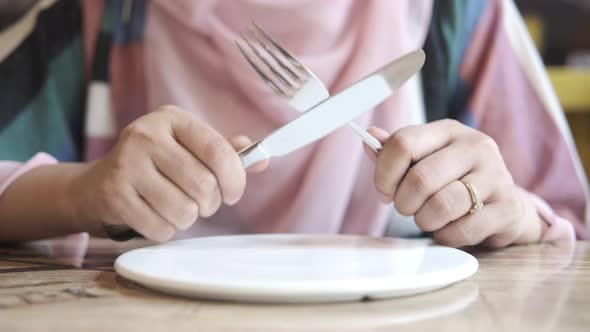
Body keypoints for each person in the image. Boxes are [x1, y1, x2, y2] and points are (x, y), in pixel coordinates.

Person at [0, 0, 587, 248]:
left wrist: (515, 216)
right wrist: (80, 193)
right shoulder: (90, 22)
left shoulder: (460, 15)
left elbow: (574, 229)